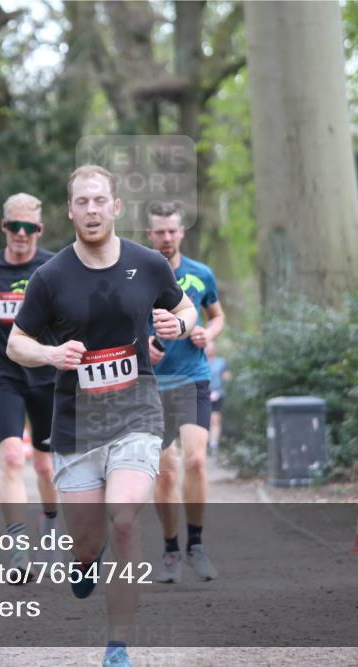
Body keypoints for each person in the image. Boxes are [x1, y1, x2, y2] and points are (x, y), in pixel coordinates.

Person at [7, 166, 197, 667]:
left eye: (99, 201)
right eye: (81, 202)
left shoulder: (149, 264)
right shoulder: (50, 278)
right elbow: (16, 343)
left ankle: (117, 645)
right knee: (88, 540)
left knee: (127, 520)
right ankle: (84, 561)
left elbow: (187, 310)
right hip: (75, 425)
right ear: (69, 211)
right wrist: (50, 356)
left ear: (115, 207)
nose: (91, 210)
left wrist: (176, 324)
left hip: (137, 413)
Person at [0, 193, 59, 578]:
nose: (22, 234)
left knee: (47, 468)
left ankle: (50, 525)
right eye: (14, 226)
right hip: (3, 371)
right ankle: (18, 549)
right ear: (4, 227)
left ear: (39, 229)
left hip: (45, 372)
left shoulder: (52, 266)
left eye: (29, 228)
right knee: (9, 457)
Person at [145, 201, 225, 584]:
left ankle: (196, 544)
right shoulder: (138, 275)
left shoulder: (200, 273)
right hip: (152, 385)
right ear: (149, 235)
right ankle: (171, 548)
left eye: (172, 230)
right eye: (159, 231)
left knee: (194, 461)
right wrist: (141, 342)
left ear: (182, 233)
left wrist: (207, 334)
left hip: (193, 376)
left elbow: (218, 314)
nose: (166, 237)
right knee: (165, 471)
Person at [206, 340, 230, 452]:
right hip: (203, 394)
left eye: (211, 347)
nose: (209, 349)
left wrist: (227, 377)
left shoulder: (221, 362)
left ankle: (213, 444)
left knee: (215, 419)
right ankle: (204, 442)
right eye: (207, 347)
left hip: (217, 393)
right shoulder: (200, 362)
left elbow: (226, 375)